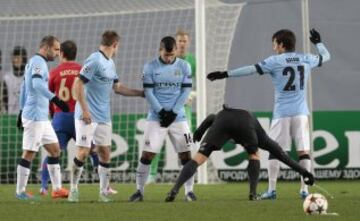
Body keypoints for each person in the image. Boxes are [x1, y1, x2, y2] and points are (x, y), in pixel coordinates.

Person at [206, 29, 330, 200]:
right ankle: (304, 190)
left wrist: (226, 74)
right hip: (301, 113)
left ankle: (272, 190)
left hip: (282, 114)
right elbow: (326, 56)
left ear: (280, 44)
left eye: (274, 44)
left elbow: (251, 69)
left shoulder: (275, 61)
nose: (273, 47)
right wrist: (318, 43)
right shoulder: (306, 58)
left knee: (275, 151)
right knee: (303, 152)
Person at [165, 105, 315, 202]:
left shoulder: (221, 116)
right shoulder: (262, 137)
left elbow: (211, 117)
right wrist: (304, 172)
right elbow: (283, 156)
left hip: (223, 119)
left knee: (198, 159)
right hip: (245, 122)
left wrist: (199, 131)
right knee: (254, 155)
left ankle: (174, 190)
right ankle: (252, 194)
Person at [68, 30, 144, 203]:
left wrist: (140, 93)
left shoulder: (111, 63)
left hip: (103, 116)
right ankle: (73, 189)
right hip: (86, 115)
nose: (118, 49)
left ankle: (103, 192)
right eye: (118, 46)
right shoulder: (94, 59)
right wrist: (85, 110)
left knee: (105, 153)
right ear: (115, 45)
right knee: (83, 151)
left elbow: (117, 88)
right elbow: (77, 84)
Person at [39, 40, 117, 195]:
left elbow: (48, 97)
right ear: (76, 54)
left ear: (61, 54)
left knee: (54, 152)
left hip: (60, 118)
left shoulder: (54, 72)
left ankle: (44, 186)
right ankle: (105, 187)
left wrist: (52, 115)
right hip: (79, 117)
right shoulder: (82, 69)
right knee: (93, 150)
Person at [128, 36, 196, 202]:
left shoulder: (184, 66)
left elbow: (185, 91)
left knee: (187, 156)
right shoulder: (150, 67)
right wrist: (161, 112)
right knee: (147, 155)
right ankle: (139, 191)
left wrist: (173, 112)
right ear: (160, 51)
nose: (169, 58)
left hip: (178, 118)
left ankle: (189, 192)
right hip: (156, 117)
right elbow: (149, 93)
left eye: (172, 55)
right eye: (166, 55)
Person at [15, 36, 70, 200]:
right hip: (35, 117)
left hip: (41, 117)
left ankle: (57, 189)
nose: (58, 53)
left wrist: (20, 109)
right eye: (56, 49)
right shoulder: (38, 62)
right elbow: (38, 85)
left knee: (55, 150)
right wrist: (56, 100)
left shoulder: (34, 62)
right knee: (29, 152)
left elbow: (24, 86)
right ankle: (20, 191)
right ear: (45, 48)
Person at [147, 29, 196, 184]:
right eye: (179, 41)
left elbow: (198, 82)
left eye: (184, 41)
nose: (182, 44)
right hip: (161, 110)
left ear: (188, 43)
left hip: (182, 109)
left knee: (186, 145)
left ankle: (187, 178)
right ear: (174, 44)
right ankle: (151, 175)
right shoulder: (155, 65)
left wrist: (193, 94)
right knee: (155, 144)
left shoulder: (192, 62)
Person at [0, 46, 27, 114]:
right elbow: (4, 99)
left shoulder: (29, 77)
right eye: (14, 57)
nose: (16, 60)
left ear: (24, 59)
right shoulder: (7, 78)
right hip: (11, 117)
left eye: (18, 57)